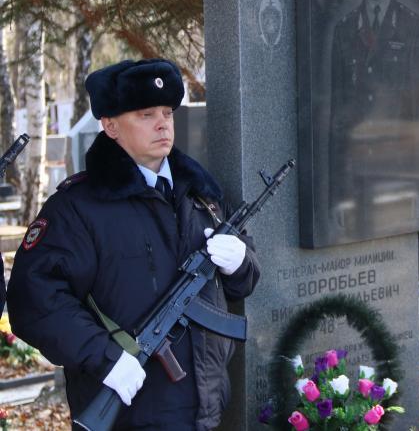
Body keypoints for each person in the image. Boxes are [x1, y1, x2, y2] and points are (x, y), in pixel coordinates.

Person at [7, 59, 260, 430]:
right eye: (145, 114)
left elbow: (244, 283)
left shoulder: (200, 194)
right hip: (132, 411)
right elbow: (35, 301)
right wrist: (106, 357)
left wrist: (240, 262)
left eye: (167, 113)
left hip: (206, 409)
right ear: (110, 125)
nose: (162, 124)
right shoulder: (77, 208)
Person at [328, 0, 419, 242]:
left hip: (397, 168)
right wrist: (337, 194)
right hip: (357, 172)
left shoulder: (412, 25)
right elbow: (336, 116)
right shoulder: (345, 30)